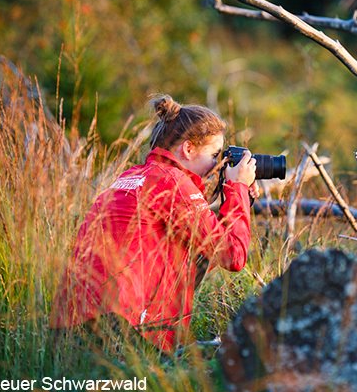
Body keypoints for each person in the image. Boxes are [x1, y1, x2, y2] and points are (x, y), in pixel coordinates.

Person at [50, 94, 257, 353]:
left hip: (69, 328)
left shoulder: (131, 176)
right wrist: (237, 187)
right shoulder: (173, 183)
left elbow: (198, 246)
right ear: (189, 149)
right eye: (215, 155)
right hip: (116, 332)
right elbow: (233, 255)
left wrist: (230, 192)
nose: (218, 165)